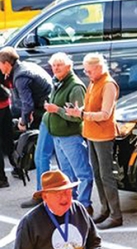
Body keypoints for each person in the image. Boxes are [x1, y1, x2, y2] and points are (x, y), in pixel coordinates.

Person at [65, 54, 120, 228]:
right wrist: (79, 110)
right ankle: (105, 210)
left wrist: (81, 114)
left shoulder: (108, 84)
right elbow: (91, 107)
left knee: (106, 176)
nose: (86, 73)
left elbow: (105, 114)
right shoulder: (95, 82)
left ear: (98, 67)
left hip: (103, 135)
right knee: (97, 174)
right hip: (92, 133)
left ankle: (115, 215)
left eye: (89, 70)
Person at [42, 53, 93, 217]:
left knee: (82, 173)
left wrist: (56, 110)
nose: (56, 68)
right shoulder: (58, 82)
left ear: (69, 67)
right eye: (54, 65)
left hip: (70, 136)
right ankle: (74, 205)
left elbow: (77, 115)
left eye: (59, 65)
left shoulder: (75, 87)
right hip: (58, 136)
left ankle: (84, 206)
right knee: (67, 174)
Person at [0, 47, 54, 202]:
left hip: (47, 113)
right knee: (45, 153)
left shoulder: (20, 76)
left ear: (6, 63)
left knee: (41, 155)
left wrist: (23, 121)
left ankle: (42, 195)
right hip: (47, 111)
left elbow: (27, 103)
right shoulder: (24, 67)